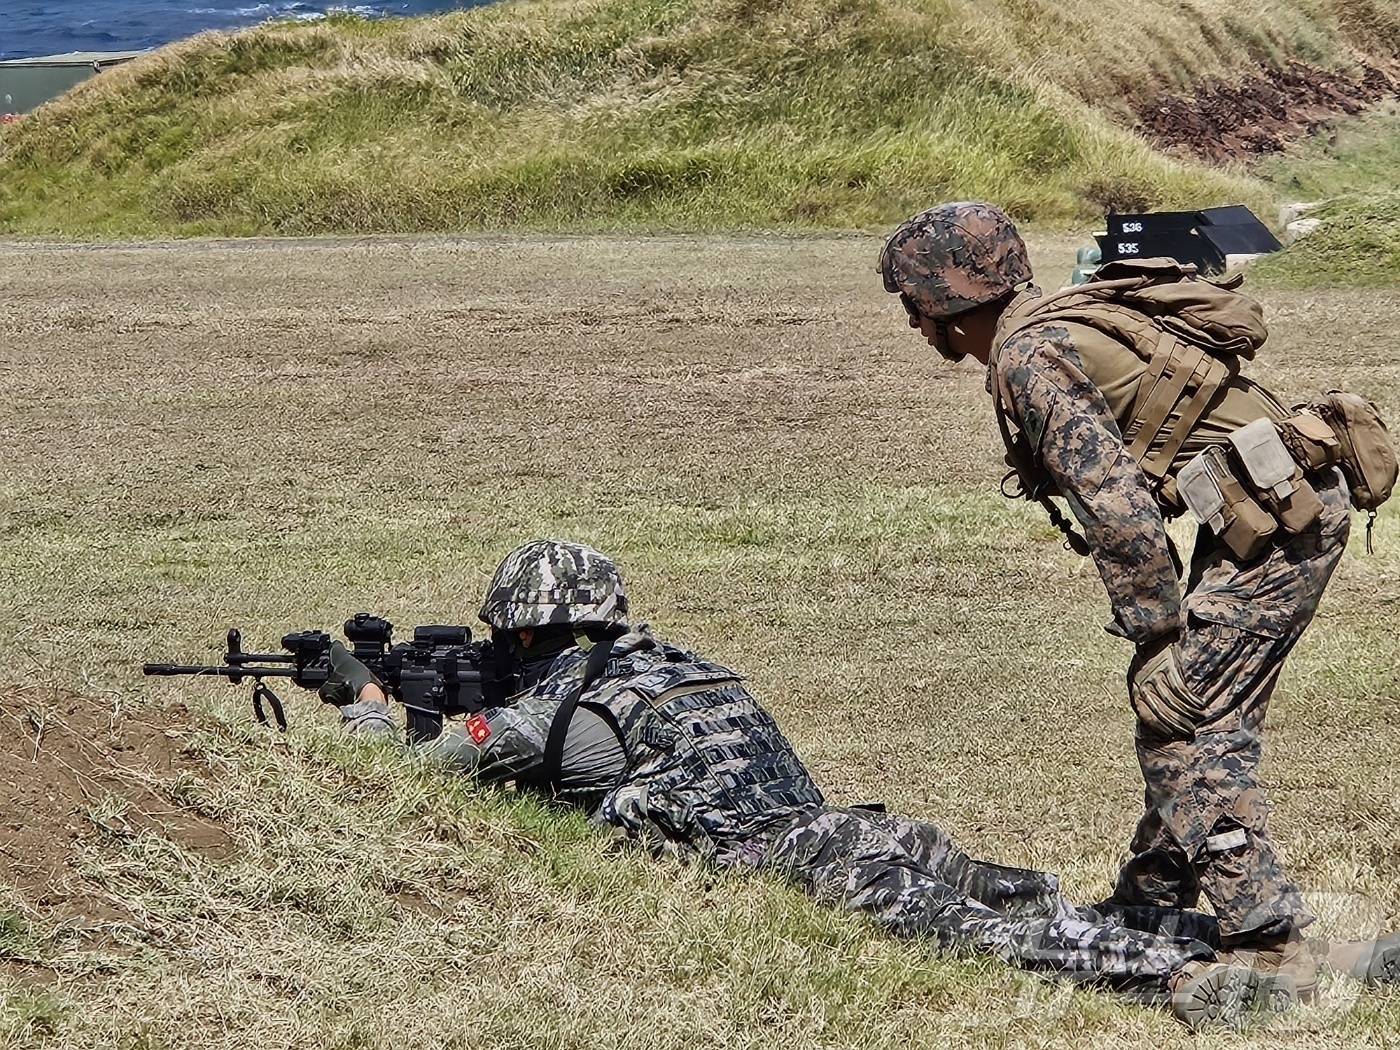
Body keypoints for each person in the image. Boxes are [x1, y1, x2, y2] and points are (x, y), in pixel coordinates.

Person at [319, 538, 1374, 1029]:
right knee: (1037, 902)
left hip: (798, 862)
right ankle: (1324, 958)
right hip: (858, 827)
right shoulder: (682, 666)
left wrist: (363, 695)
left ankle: (1200, 993)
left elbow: (411, 771)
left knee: (1012, 941)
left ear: (522, 629)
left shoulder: (553, 711)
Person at [875, 201, 1380, 996]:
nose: (911, 324)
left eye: (912, 303)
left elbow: (1118, 508)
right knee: (1203, 718)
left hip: (1283, 521)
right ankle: (1148, 909)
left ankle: (1273, 945)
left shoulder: (1029, 354)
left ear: (941, 300)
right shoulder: (1053, 321)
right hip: (1278, 509)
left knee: (1180, 724)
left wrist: (1154, 639)